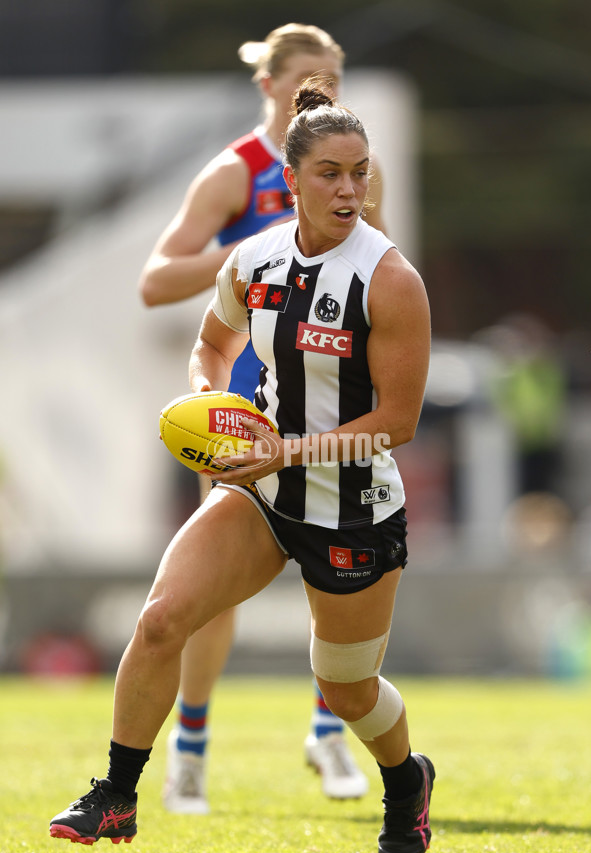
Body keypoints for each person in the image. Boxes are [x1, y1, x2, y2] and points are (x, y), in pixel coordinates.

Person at [49, 79, 434, 853]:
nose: (350, 189)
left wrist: (285, 450)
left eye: (360, 172)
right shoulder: (253, 259)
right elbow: (210, 342)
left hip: (351, 509)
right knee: (162, 619)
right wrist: (206, 396)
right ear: (289, 180)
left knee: (349, 689)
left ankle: (405, 782)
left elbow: (398, 423)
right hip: (257, 492)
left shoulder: (390, 280)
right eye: (330, 172)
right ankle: (116, 795)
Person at [139, 23, 387, 812]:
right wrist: (260, 252)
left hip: (332, 411)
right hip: (248, 412)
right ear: (267, 85)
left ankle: (327, 737)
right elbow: (154, 280)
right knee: (210, 596)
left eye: (332, 77)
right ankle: (192, 741)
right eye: (305, 76)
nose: (320, 89)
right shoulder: (238, 173)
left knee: (345, 574)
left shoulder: (340, 167)